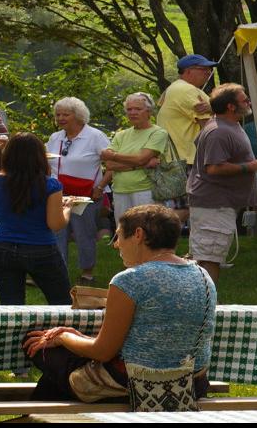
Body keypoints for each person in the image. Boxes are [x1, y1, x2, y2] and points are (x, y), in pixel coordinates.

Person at [22, 205, 216, 403]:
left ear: (138, 234)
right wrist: (77, 337)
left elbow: (103, 352)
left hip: (134, 386)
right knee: (58, 372)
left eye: (119, 236)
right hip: (191, 384)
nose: (116, 244)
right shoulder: (202, 275)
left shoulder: (130, 280)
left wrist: (62, 337)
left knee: (39, 346)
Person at [0, 133, 76, 305]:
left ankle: (14, 333)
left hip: (2, 248)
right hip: (41, 248)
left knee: (11, 307)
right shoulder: (51, 185)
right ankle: (62, 332)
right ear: (40, 157)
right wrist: (67, 209)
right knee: (62, 303)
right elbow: (55, 224)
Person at [187, 84, 257, 282]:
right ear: (231, 107)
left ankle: (204, 303)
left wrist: (254, 165)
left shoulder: (228, 125)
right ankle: (207, 304)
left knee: (210, 256)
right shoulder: (219, 131)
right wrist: (250, 166)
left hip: (219, 203)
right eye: (244, 100)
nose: (248, 102)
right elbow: (213, 168)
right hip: (213, 204)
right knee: (209, 259)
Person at [48, 97, 110, 286]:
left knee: (85, 233)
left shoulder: (95, 136)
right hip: (58, 194)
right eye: (58, 114)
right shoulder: (55, 137)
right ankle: (60, 272)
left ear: (79, 115)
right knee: (58, 232)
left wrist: (100, 187)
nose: (60, 118)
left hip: (87, 195)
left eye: (66, 114)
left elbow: (112, 164)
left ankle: (87, 273)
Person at [158, 53, 217, 222]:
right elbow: (210, 126)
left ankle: (162, 245)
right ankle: (159, 242)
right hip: (187, 159)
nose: (208, 72)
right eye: (203, 69)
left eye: (209, 69)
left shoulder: (174, 88)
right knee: (188, 209)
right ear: (188, 72)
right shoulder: (186, 90)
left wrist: (214, 107)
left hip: (176, 158)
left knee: (184, 208)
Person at [99, 92, 169, 220]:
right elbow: (109, 164)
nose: (132, 113)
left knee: (147, 232)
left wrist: (114, 156)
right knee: (124, 232)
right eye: (129, 109)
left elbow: (141, 158)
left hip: (146, 190)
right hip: (120, 190)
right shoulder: (121, 135)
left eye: (138, 109)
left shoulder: (158, 133)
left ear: (149, 111)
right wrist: (140, 164)